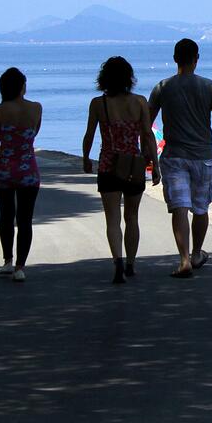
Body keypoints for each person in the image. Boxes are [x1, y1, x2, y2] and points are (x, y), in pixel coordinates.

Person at [149, 39, 212, 278]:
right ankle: (197, 252)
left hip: (173, 156)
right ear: (197, 58)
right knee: (200, 208)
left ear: (175, 58)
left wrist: (149, 159)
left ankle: (184, 259)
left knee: (179, 207)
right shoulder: (209, 87)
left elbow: (146, 123)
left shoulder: (162, 87)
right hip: (203, 157)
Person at [82, 56, 161, 284]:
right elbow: (147, 136)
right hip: (134, 165)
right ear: (129, 78)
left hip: (108, 164)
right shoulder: (139, 102)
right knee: (132, 217)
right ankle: (131, 264)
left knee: (113, 219)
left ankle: (117, 260)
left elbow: (89, 134)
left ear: (104, 78)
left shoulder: (98, 104)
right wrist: (154, 165)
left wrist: (86, 158)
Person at [0, 67, 42, 283]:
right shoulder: (36, 108)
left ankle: (7, 261)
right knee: (25, 219)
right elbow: (34, 134)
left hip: (4, 169)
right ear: (22, 86)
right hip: (28, 169)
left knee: (6, 216)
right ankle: (20, 268)